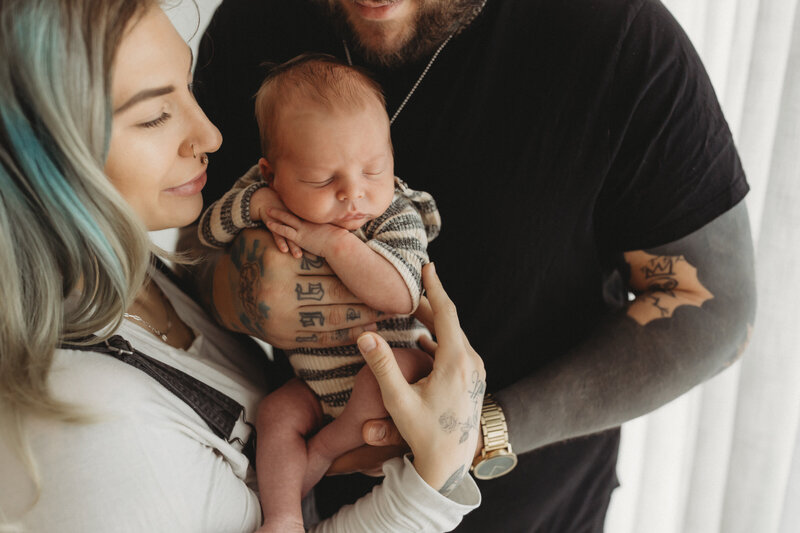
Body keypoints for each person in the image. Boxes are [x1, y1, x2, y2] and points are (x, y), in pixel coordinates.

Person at [187, 0, 757, 530]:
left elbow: (714, 308)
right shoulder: (255, 20)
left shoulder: (613, 32)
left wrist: (474, 431)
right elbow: (192, 246)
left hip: (532, 513)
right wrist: (238, 291)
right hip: (313, 503)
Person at [0, 1, 485, 531]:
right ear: (38, 154)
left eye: (188, 86)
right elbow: (213, 230)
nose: (211, 135)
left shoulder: (128, 272)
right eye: (155, 114)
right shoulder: (100, 435)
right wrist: (430, 486)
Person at [197, 54, 445, 531]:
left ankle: (324, 450)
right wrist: (255, 204)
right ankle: (284, 518)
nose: (353, 193)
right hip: (314, 384)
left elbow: (400, 295)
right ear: (272, 174)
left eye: (373, 170)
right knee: (275, 413)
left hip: (393, 380)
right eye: (322, 179)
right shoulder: (271, 199)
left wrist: (331, 242)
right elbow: (208, 233)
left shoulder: (395, 214)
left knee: (396, 366)